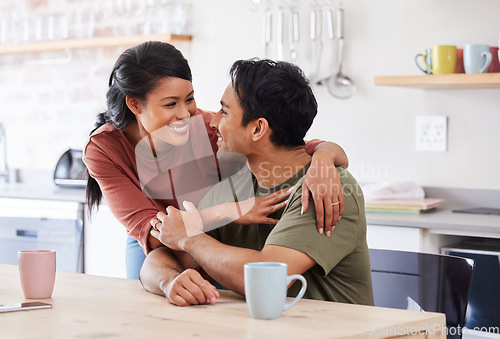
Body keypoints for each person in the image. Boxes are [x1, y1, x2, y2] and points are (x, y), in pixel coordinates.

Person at [83, 41, 350, 279]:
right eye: (169, 104)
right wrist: (229, 211)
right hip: (160, 238)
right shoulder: (104, 149)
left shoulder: (209, 129)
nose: (185, 114)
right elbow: (154, 233)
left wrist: (323, 158)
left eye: (189, 99)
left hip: (213, 234)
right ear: (135, 105)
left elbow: (281, 143)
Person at [140, 59, 374, 307]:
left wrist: (190, 238)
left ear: (258, 129)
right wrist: (169, 281)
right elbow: (156, 263)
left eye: (225, 111)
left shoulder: (327, 189)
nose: (213, 121)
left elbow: (267, 279)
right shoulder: (230, 189)